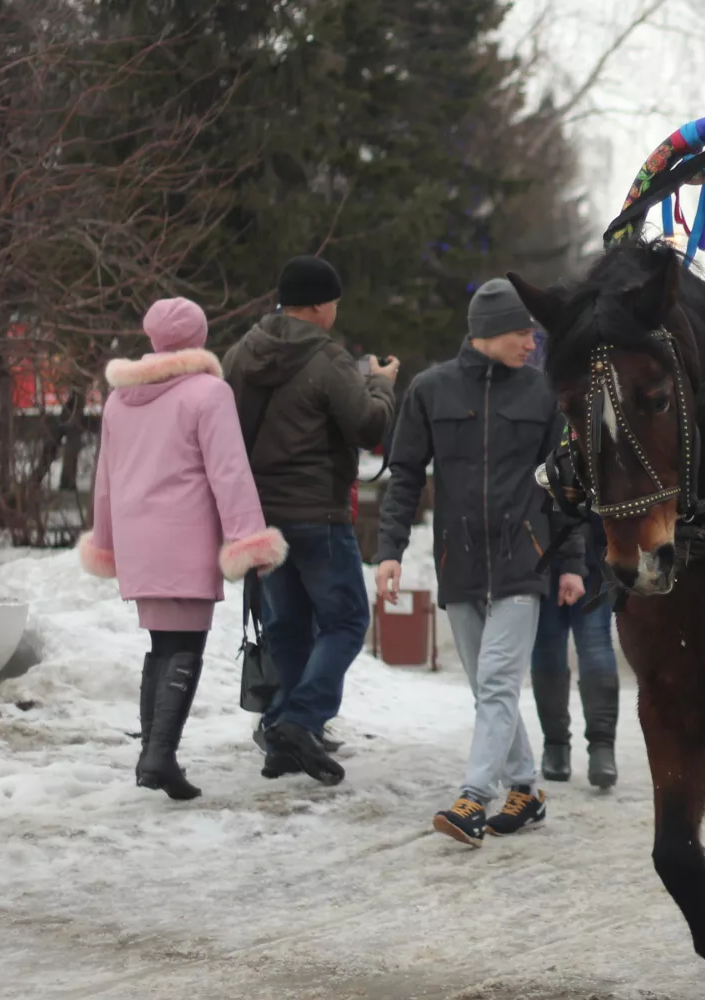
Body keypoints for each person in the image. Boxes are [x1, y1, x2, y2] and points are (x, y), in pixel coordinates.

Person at [374, 278, 585, 848]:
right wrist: (389, 550)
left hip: (525, 556)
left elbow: (567, 488)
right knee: (485, 687)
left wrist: (570, 562)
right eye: (523, 332)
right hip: (459, 561)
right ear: (489, 332)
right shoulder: (430, 389)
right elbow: (405, 476)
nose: (532, 343)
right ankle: (526, 788)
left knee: (495, 681)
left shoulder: (544, 394)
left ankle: (473, 799)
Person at [78, 298, 287, 800]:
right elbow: (229, 473)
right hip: (184, 536)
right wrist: (249, 541)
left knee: (161, 645)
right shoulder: (207, 393)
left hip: (136, 540)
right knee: (184, 646)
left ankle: (154, 752)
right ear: (198, 336)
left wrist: (105, 541)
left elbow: (103, 480)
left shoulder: (118, 400)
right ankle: (159, 756)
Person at [223, 256, 397, 786]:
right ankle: (299, 720)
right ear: (319, 304)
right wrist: (382, 384)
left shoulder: (239, 354)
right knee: (346, 621)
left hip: (262, 519)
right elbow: (368, 426)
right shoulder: (329, 359)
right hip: (317, 515)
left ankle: (281, 736)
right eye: (334, 303)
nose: (335, 312)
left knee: (289, 627)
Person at [531, 515, 620, 789]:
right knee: (552, 650)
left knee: (590, 648)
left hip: (588, 555)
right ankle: (559, 745)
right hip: (547, 556)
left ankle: (599, 746)